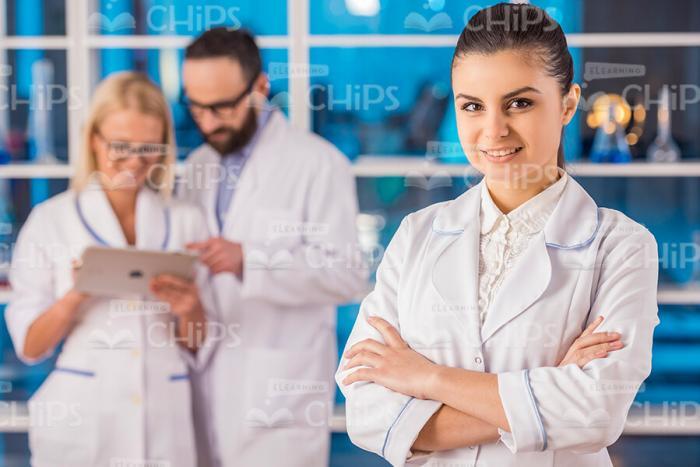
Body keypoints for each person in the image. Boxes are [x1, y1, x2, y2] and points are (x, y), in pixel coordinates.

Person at [336, 3, 659, 467]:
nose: (493, 130)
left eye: (520, 103)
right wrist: (547, 386)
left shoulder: (622, 247)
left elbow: (594, 412)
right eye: (472, 106)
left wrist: (426, 379)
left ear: (568, 103)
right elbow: (367, 413)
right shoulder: (417, 235)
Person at [176, 28, 368, 467]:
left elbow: (347, 275)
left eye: (222, 106)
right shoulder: (195, 168)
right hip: (204, 377)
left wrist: (250, 260)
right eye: (196, 106)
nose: (207, 121)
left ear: (260, 87)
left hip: (281, 392)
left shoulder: (317, 164)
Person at [5, 72, 215, 467]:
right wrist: (79, 291)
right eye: (121, 147)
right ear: (93, 141)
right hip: (81, 419)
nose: (135, 163)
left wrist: (191, 310)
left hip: (165, 417)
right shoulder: (51, 220)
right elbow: (31, 347)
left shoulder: (186, 221)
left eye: (148, 148)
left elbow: (200, 346)